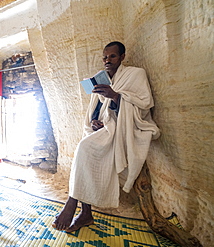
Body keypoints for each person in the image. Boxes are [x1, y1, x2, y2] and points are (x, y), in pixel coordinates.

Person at [52, 41, 160, 232]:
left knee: (85, 148)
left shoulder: (135, 74)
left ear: (122, 57)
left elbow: (144, 104)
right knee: (86, 149)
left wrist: (116, 96)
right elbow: (97, 109)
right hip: (106, 127)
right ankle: (84, 213)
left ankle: (73, 204)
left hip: (126, 127)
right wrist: (95, 121)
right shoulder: (101, 78)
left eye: (112, 56)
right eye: (105, 57)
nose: (107, 60)